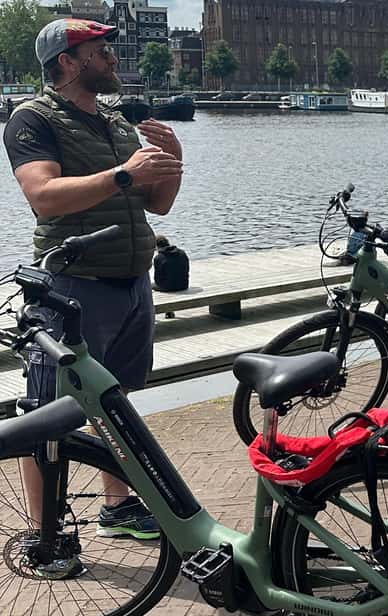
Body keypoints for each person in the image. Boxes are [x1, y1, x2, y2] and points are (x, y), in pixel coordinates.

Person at [2, 18, 184, 568]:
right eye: (100, 50)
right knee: (48, 413)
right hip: (71, 288)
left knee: (115, 402)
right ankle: (44, 536)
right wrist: (123, 174)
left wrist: (171, 160)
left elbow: (159, 204)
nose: (111, 56)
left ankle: (117, 507)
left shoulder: (112, 119)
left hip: (130, 283)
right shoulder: (32, 118)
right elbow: (44, 196)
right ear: (67, 60)